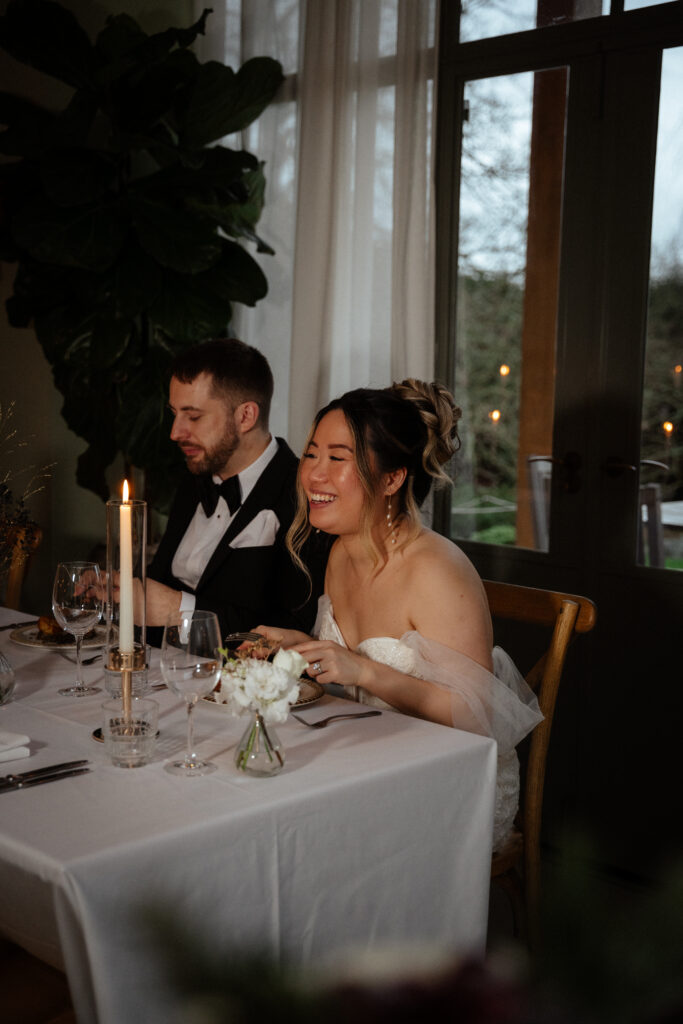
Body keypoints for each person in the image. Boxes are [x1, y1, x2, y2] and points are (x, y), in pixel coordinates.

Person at [255, 380, 543, 850]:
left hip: (449, 783)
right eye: (311, 454)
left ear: (392, 479)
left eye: (338, 458)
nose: (314, 476)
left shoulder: (436, 571)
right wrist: (300, 647)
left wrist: (365, 670)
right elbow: (343, 678)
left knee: (293, 832)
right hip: (366, 760)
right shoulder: (341, 553)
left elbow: (477, 718)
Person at [145, 338, 330, 641]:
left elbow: (293, 629)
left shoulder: (306, 494)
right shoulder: (195, 476)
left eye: (193, 416)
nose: (175, 432)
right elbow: (160, 580)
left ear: (245, 416)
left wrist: (178, 609)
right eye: (174, 413)